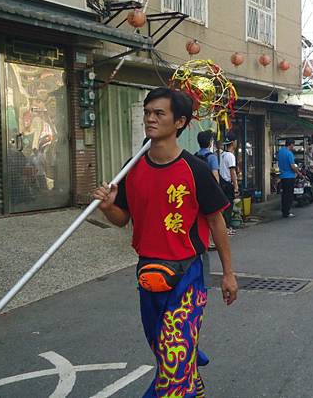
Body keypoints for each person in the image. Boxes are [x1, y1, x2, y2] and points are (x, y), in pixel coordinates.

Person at [92, 88, 238, 397]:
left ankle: (182, 377)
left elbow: (216, 221)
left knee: (172, 365)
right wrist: (107, 207)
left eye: (159, 113)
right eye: (147, 112)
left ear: (180, 122)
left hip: (188, 275)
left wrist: (228, 273)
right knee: (164, 349)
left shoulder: (195, 170)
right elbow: (123, 219)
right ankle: (190, 374)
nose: (150, 119)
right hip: (147, 273)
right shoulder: (131, 168)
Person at [219, 133, 239, 235]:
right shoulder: (230, 156)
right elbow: (232, 172)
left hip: (221, 183)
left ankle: (225, 227)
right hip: (228, 184)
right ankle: (226, 228)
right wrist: (236, 187)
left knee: (223, 206)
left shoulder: (222, 155)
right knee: (228, 207)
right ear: (233, 143)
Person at [278, 138, 303, 218]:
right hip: (289, 176)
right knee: (289, 195)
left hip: (282, 176)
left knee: (284, 195)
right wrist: (299, 173)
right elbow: (292, 166)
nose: (293, 146)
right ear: (291, 144)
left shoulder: (280, 152)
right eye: (293, 144)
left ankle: (283, 210)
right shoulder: (289, 154)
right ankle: (287, 212)